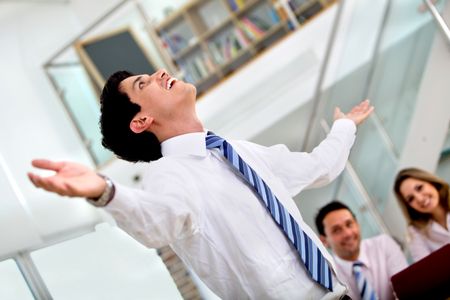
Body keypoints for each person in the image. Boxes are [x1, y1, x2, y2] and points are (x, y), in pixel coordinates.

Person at [28, 69, 374, 299]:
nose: (161, 72)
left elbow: (318, 167)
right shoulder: (169, 174)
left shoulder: (236, 151)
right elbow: (158, 223)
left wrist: (345, 127)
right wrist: (104, 192)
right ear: (142, 120)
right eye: (143, 83)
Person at [315, 201, 408, 300]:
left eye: (349, 224)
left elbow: (407, 289)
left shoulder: (384, 244)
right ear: (324, 241)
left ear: (357, 224)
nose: (347, 234)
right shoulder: (328, 277)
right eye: (337, 230)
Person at [394, 167, 450, 262]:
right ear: (409, 207)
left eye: (419, 188)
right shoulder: (415, 232)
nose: (420, 199)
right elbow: (427, 271)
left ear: (430, 182)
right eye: (411, 199)